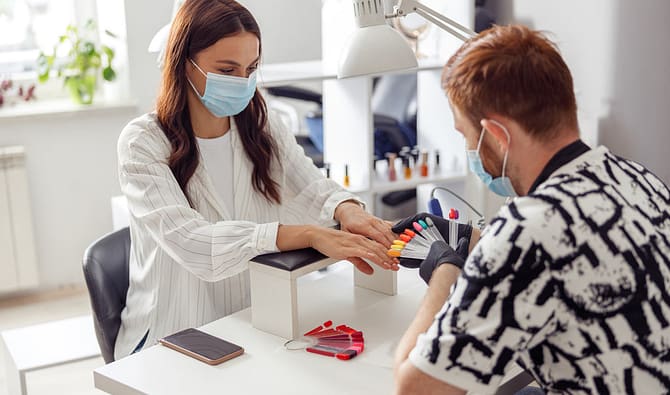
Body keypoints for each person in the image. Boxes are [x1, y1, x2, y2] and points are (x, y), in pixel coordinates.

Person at [392, 25, 670, 394]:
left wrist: (446, 271)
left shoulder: (526, 232)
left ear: (496, 134)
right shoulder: (638, 179)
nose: (469, 148)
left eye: (465, 135)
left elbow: (415, 388)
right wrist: (473, 242)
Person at [115, 0, 398, 360]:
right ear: (184, 62)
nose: (242, 82)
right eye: (227, 69)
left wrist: (346, 210)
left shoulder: (259, 124)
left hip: (253, 319)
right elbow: (194, 244)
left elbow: (309, 183)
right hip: (174, 332)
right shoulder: (143, 142)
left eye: (251, 68)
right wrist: (309, 233)